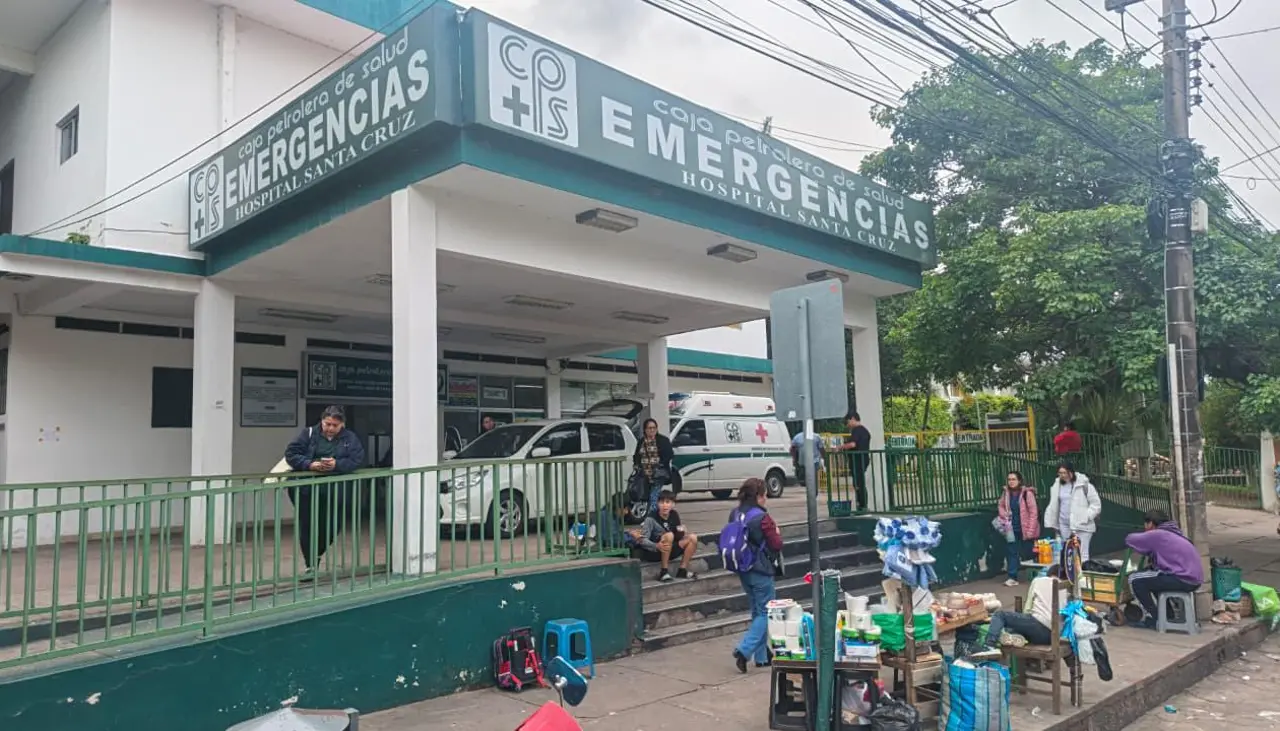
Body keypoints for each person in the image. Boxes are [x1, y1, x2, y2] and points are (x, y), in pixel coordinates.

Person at [283, 405, 366, 574]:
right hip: (307, 489)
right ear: (322, 421)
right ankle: (310, 563)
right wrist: (309, 464)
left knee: (332, 525)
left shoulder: (350, 438)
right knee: (307, 524)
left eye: (335, 425)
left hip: (335, 490)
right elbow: (291, 454)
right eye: (327, 424)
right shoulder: (308, 434)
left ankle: (317, 553)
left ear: (342, 424)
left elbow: (357, 459)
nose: (330, 428)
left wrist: (337, 464)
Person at [730, 477, 785, 673]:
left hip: (742, 568)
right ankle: (744, 650)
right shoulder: (762, 518)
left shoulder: (735, 513)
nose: (766, 498)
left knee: (757, 611)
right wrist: (776, 531)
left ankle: (761, 657)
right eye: (765, 495)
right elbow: (776, 544)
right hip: (761, 569)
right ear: (760, 497)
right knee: (766, 613)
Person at [1125, 509, 1204, 629]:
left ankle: (1154, 618)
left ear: (1150, 523)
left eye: (1145, 524)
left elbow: (1130, 539)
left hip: (1182, 577)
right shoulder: (1176, 533)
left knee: (1134, 579)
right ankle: (1168, 615)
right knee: (1154, 579)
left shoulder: (1158, 534)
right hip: (1193, 579)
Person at [970, 566, 1071, 659]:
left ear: (1049, 574)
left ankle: (989, 646)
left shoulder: (1038, 581)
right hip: (1052, 637)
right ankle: (1013, 636)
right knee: (1015, 626)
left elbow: (1027, 608)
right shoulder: (1066, 589)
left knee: (1000, 615)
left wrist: (1022, 619)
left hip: (1038, 626)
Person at [628, 491, 698, 582]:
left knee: (693, 537)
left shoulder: (674, 514)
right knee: (668, 535)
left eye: (668, 502)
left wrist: (681, 532)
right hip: (655, 551)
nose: (665, 505)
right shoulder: (651, 518)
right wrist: (656, 545)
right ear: (657, 504)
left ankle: (682, 570)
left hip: (670, 549)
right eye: (662, 502)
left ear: (673, 504)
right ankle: (664, 572)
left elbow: (676, 537)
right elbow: (642, 540)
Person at [1044, 461, 1101, 561]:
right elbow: (1054, 504)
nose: (1062, 475)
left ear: (1071, 472)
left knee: (1082, 554)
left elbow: (1096, 504)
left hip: (1082, 525)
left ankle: (1083, 571)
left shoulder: (1084, 484)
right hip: (1064, 524)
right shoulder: (1057, 485)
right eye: (1060, 473)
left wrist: (1086, 516)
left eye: (1065, 472)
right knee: (1068, 553)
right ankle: (1070, 572)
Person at [997, 471, 1040, 587]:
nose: (1011, 482)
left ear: (1019, 481)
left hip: (1025, 528)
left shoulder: (1027, 494)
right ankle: (1012, 576)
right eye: (1009, 479)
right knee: (1012, 551)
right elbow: (1000, 505)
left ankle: (1038, 575)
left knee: (1030, 551)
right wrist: (1004, 514)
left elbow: (1033, 512)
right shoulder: (1006, 493)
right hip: (1011, 527)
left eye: (1013, 479)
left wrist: (1031, 530)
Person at [632, 418, 675, 515]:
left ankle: (653, 517)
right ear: (645, 429)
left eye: (654, 428)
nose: (652, 430)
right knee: (645, 497)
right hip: (644, 475)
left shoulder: (663, 440)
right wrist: (636, 465)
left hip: (658, 474)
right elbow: (636, 456)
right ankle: (655, 515)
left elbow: (670, 455)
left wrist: (660, 463)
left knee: (653, 496)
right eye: (649, 428)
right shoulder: (641, 441)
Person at [839, 411, 873, 512]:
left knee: (859, 483)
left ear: (853, 419)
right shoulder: (864, 430)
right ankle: (861, 504)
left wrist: (840, 447)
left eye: (847, 422)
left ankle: (862, 505)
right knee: (859, 482)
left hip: (858, 460)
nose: (847, 425)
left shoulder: (857, 430)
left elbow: (853, 444)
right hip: (862, 459)